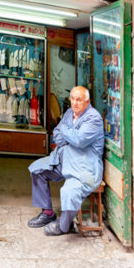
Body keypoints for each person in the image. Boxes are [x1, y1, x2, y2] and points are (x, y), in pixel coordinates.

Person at [26, 86, 104, 236]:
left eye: (79, 99)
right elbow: (57, 132)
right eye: (72, 99)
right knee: (37, 170)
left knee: (69, 191)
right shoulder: (70, 113)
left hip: (83, 166)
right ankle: (48, 212)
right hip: (64, 159)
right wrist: (67, 133)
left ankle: (64, 225)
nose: (74, 103)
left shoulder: (94, 118)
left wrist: (65, 131)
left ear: (87, 101)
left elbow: (79, 140)